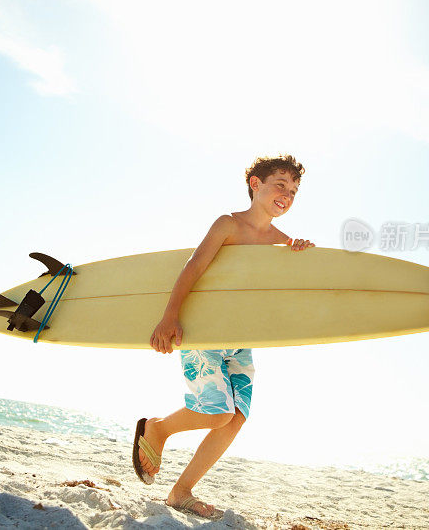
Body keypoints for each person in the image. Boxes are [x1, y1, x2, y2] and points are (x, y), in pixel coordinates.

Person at [132, 154, 315, 519]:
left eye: (293, 191)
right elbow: (193, 268)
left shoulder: (282, 241)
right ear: (255, 185)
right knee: (216, 412)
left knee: (236, 417)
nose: (287, 195)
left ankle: (181, 492)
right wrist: (170, 317)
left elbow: (279, 292)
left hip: (240, 339)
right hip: (205, 331)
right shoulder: (228, 225)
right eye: (280, 185)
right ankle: (157, 428)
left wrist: (298, 255)